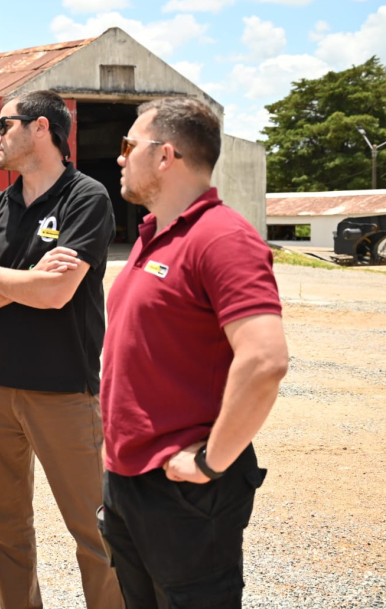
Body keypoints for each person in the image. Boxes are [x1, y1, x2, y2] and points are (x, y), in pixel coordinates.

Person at [99, 97, 289, 608]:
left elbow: (265, 360)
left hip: (185, 492)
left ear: (165, 156)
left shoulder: (222, 238)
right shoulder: (153, 234)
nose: (120, 157)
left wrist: (210, 462)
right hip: (128, 480)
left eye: (128, 146)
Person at [0, 89, 123, 609]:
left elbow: (55, 294)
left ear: (42, 128)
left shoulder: (86, 198)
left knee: (95, 532)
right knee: (7, 529)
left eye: (4, 125)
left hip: (63, 389)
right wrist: (21, 279)